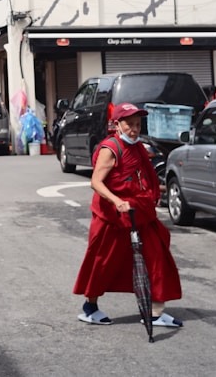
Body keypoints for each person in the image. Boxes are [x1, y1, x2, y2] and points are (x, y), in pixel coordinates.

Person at [72, 102, 183, 328]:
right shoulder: (110, 148)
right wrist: (117, 201)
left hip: (139, 214)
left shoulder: (138, 147)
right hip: (112, 217)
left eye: (137, 124)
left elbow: (139, 178)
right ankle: (90, 307)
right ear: (117, 125)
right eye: (129, 124)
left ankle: (155, 312)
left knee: (157, 256)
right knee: (102, 262)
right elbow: (96, 182)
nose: (134, 129)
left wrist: (159, 190)